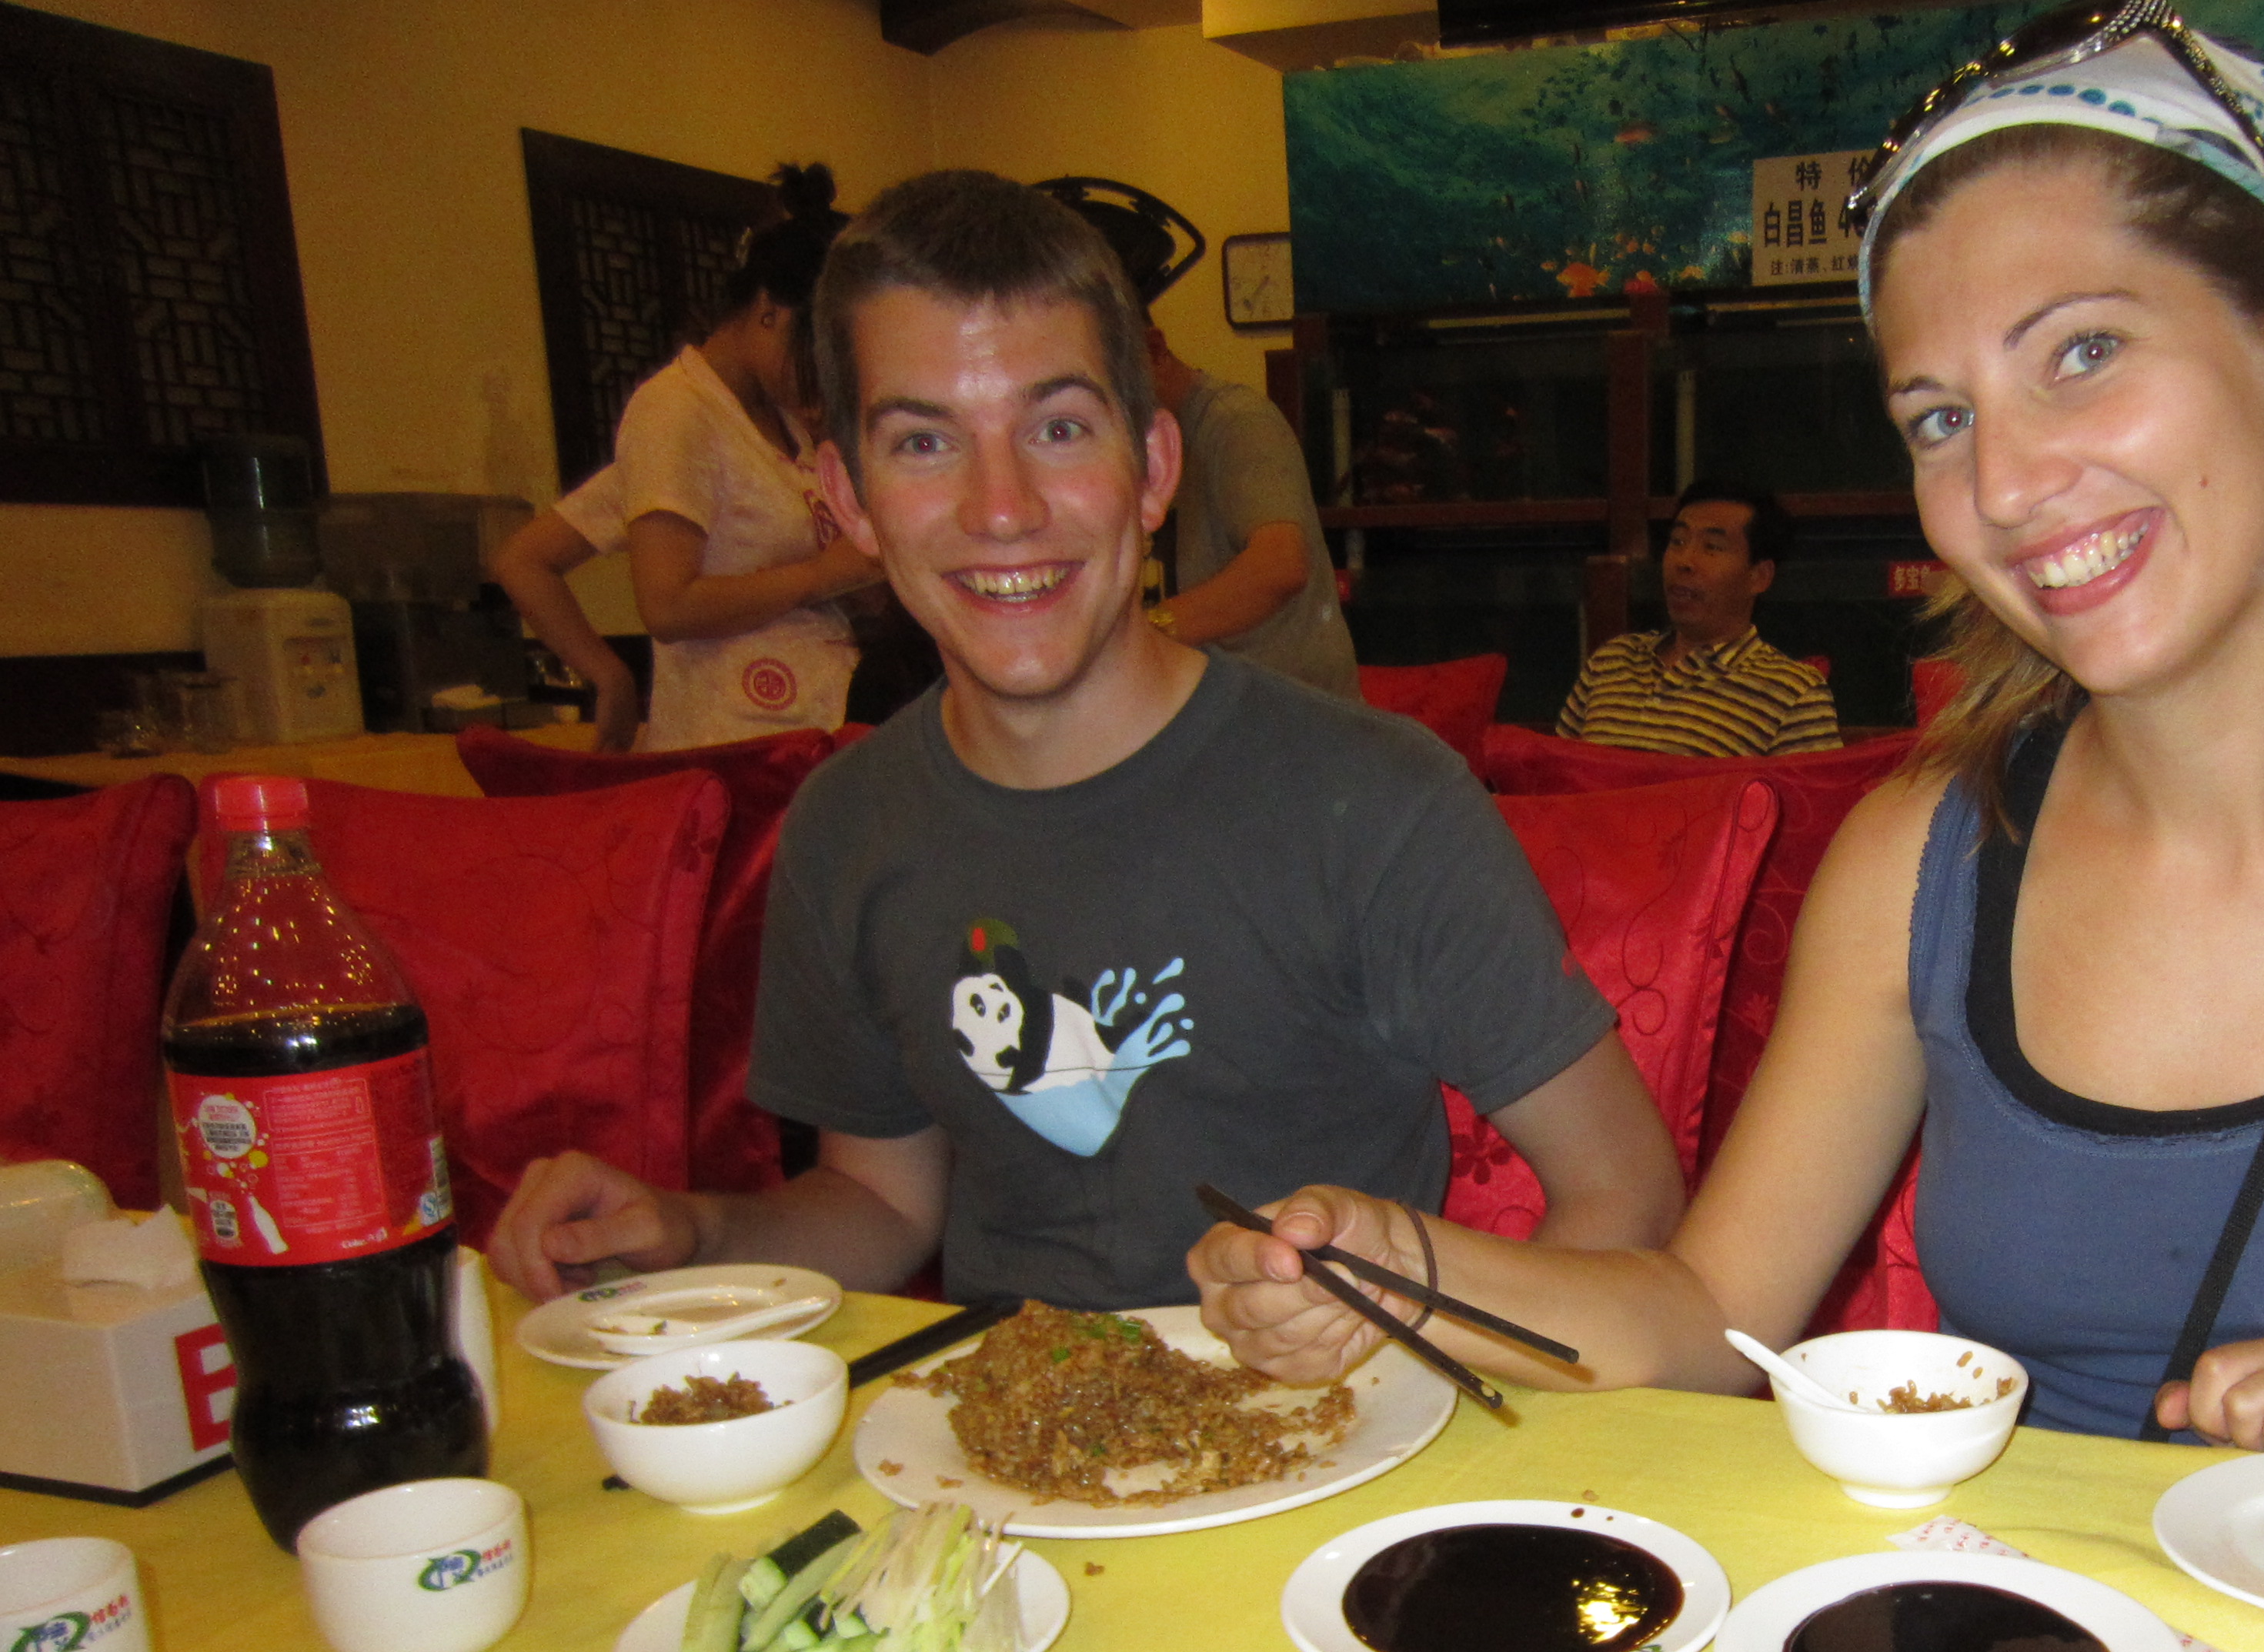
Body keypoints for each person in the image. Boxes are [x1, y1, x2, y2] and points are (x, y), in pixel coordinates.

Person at [1194, 4, 2264, 1464]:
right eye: (1941, 419)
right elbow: (1707, 1316)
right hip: (2015, 1650)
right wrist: (1401, 1267)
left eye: (2083, 354)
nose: (2008, 485)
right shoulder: (1920, 859)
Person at [489, 171, 1682, 1311]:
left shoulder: (1377, 799)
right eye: (924, 443)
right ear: (847, 502)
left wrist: (1416, 1365)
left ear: (1151, 467)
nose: (1001, 508)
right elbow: (881, 1201)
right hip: (1005, 1414)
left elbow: (1624, 1189)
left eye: (1058, 428)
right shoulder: (846, 823)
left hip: (1332, 1417)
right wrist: (694, 1236)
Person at [616, 162, 880, 748]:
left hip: (818, 717)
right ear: (769, 309)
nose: (821, 376)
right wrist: (821, 576)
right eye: (816, 350)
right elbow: (666, 605)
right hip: (734, 738)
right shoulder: (676, 407)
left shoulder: (786, 423)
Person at [1143, 323, 1360, 699]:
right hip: (1248, 708)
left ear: (1154, 348)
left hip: (1295, 718)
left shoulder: (1238, 423)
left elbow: (1280, 566)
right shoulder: (1158, 440)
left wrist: (1148, 634)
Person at [1556, 480, 1840, 756]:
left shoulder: (1793, 691)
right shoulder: (1613, 660)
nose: (1684, 561)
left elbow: (1806, 789)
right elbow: (1553, 773)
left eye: (1712, 547)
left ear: (1759, 576)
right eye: (1678, 542)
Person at [487, 468, 640, 749]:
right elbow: (522, 563)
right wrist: (611, 678)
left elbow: (520, 563)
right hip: (698, 718)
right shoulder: (658, 463)